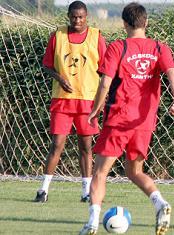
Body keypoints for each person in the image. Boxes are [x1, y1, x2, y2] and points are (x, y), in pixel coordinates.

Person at [79, 3, 174, 235]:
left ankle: (93, 223)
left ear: (124, 23)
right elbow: (172, 73)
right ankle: (161, 204)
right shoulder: (159, 48)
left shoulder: (118, 47)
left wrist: (95, 110)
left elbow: (105, 82)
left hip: (119, 118)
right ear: (146, 22)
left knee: (100, 173)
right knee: (134, 171)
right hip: (144, 122)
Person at [35, 0, 107, 203]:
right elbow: (47, 65)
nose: (77, 20)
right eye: (74, 17)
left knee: (86, 147)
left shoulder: (96, 36)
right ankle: (43, 190)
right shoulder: (58, 35)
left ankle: (86, 192)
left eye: (81, 17)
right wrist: (60, 78)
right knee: (56, 144)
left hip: (87, 101)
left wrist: (104, 95)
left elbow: (106, 68)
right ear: (68, 16)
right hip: (62, 100)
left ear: (86, 17)